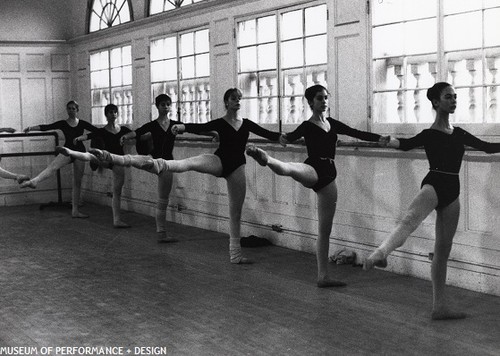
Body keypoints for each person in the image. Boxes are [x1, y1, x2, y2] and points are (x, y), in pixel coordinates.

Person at [91, 88, 281, 264]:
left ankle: (235, 254)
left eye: (240, 99)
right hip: (219, 161)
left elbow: (269, 134)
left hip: (237, 166)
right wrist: (183, 127)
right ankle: (120, 158)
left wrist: (286, 137)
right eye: (234, 99)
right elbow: (200, 126)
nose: (238, 102)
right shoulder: (221, 123)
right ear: (226, 102)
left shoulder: (246, 124)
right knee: (185, 164)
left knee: (235, 212)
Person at [363, 82, 500, 320]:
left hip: (452, 191)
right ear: (436, 102)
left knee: (442, 251)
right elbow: (406, 145)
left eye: (455, 97)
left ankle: (439, 307)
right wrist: (390, 140)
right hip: (434, 183)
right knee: (410, 219)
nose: (454, 100)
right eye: (448, 97)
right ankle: (381, 252)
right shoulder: (429, 135)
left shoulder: (460, 133)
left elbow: (487, 147)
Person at [246, 84, 388, 287]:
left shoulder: (332, 123)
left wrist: (379, 138)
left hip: (329, 177)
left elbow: (356, 132)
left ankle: (323, 276)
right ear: (311, 102)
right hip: (313, 168)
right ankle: (266, 159)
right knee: (291, 168)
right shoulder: (307, 125)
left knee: (324, 230)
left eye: (326, 98)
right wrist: (283, 139)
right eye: (320, 98)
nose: (324, 102)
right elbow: (289, 137)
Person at [55, 104, 131, 228]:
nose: (113, 114)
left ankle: (117, 220)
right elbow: (89, 135)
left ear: (118, 114)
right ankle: (75, 152)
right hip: (107, 158)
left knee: (117, 191)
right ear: (106, 115)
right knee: (89, 156)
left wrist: (126, 136)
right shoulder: (102, 130)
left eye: (115, 112)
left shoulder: (123, 129)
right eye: (110, 112)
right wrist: (80, 138)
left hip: (119, 160)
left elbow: (135, 133)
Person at [21, 101, 98, 218]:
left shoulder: (82, 124)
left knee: (77, 182)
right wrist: (31, 128)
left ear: (77, 110)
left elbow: (97, 132)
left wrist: (84, 137)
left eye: (73, 108)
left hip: (80, 153)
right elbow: (47, 127)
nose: (71, 110)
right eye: (69, 108)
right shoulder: (63, 123)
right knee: (52, 167)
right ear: (67, 110)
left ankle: (75, 211)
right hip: (66, 151)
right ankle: (34, 181)